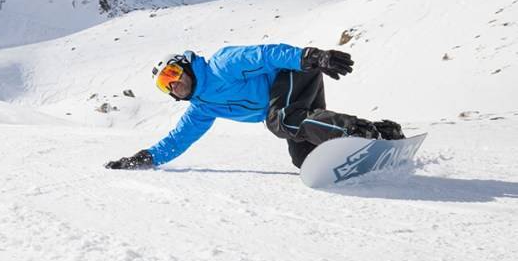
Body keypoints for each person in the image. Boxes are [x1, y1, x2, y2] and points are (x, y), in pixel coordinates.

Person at [105, 44, 405, 170]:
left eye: (171, 74)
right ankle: (381, 132)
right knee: (307, 160)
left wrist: (311, 57)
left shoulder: (221, 65)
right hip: (292, 102)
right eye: (164, 85)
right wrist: (142, 159)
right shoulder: (201, 109)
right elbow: (177, 140)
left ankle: (356, 131)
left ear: (185, 66)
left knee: (280, 120)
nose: (172, 85)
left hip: (293, 73)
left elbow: (266, 54)